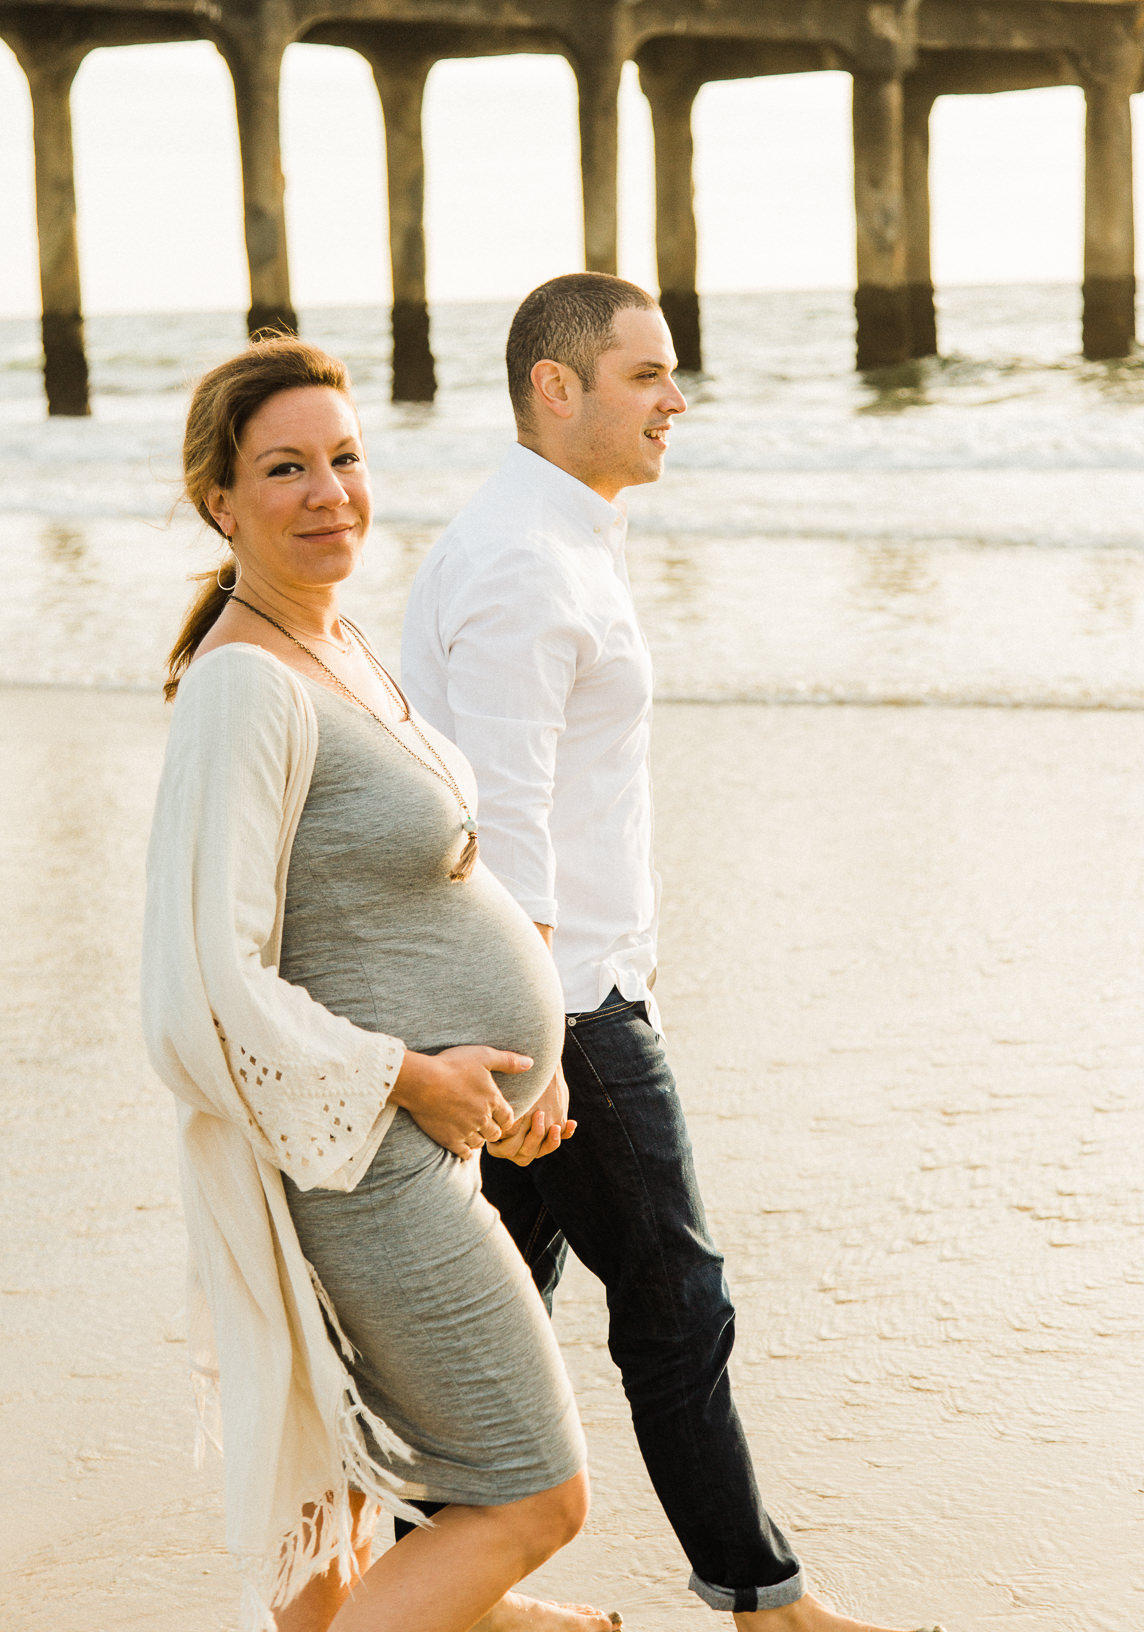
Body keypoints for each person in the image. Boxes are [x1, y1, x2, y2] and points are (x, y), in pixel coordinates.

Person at [400, 274, 942, 1632]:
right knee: (675, 1302)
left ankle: (420, 1580)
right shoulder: (528, 559)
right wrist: (535, 1043)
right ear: (555, 386)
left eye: (670, 374)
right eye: (644, 375)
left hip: (558, 986)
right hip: (562, 1002)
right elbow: (502, 818)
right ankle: (766, 1604)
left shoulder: (560, 535)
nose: (674, 400)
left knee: (496, 1302)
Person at [141, 335, 623, 1632]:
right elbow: (199, 993)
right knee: (535, 1498)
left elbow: (407, 900)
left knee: (346, 1543)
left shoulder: (338, 648)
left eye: (345, 459)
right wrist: (413, 1076)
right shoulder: (243, 687)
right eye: (284, 468)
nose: (328, 492)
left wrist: (518, 1073)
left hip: (422, 1150)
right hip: (372, 1172)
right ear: (222, 501)